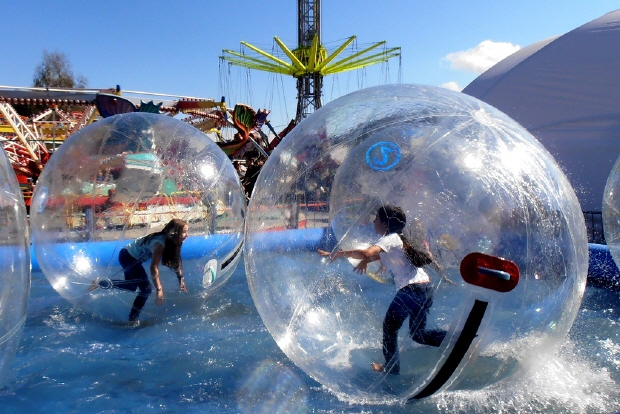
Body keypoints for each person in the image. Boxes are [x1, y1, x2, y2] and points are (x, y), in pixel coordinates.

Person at [318, 205, 451, 375]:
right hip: (425, 287)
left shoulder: (389, 239)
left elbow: (367, 252)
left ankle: (391, 368)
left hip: (411, 290)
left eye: (377, 218)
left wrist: (340, 253)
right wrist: (363, 259)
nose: (374, 221)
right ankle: (456, 340)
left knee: (389, 328)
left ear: (385, 224)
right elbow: (373, 256)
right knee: (419, 335)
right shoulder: (399, 240)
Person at [89, 218, 189, 325]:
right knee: (146, 289)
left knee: (131, 287)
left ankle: (100, 283)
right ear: (174, 233)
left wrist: (180, 279)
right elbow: (153, 267)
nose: (187, 235)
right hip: (128, 256)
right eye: (184, 232)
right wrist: (159, 289)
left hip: (128, 255)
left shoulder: (173, 242)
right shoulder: (160, 243)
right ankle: (133, 319)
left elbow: (176, 261)